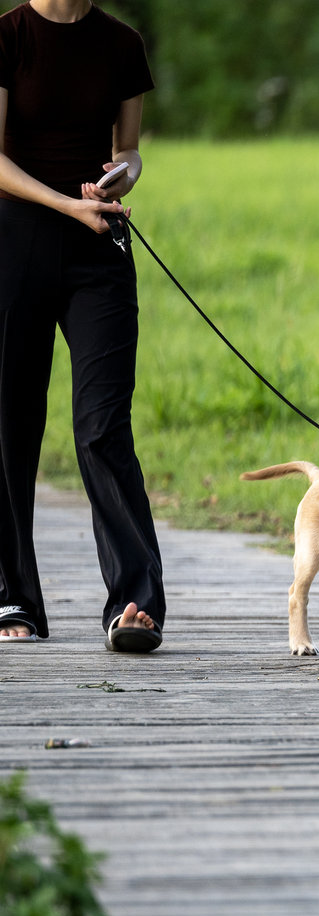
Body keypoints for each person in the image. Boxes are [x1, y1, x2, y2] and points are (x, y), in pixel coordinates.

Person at [0, 0, 163, 651]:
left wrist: (115, 179)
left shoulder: (122, 43)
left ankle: (133, 600)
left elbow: (129, 151)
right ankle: (13, 596)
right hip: (16, 246)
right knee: (10, 424)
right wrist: (66, 202)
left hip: (98, 248)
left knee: (103, 426)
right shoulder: (7, 38)